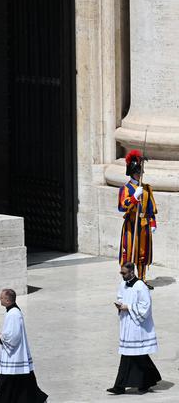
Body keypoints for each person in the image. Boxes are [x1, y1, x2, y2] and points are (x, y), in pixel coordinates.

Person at [108, 261, 160, 394]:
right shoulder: (123, 284)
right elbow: (121, 296)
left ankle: (120, 386)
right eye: (121, 272)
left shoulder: (140, 286)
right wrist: (120, 304)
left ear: (132, 272)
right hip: (127, 324)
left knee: (132, 355)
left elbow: (145, 306)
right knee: (137, 355)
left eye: (124, 273)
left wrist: (128, 307)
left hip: (137, 327)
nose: (122, 275)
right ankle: (147, 381)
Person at [0, 288, 47, 403]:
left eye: (1, 297)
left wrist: (0, 337)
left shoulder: (14, 314)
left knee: (7, 385)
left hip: (14, 357)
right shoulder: (12, 312)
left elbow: (13, 336)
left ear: (7, 300)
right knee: (23, 383)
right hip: (16, 357)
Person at [118, 150, 157, 281]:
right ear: (131, 172)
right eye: (136, 172)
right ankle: (128, 278)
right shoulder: (125, 189)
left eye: (139, 172)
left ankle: (142, 279)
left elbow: (151, 208)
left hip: (144, 225)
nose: (139, 175)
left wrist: (152, 223)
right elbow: (122, 206)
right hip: (131, 225)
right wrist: (134, 197)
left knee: (143, 253)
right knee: (129, 252)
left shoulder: (146, 188)